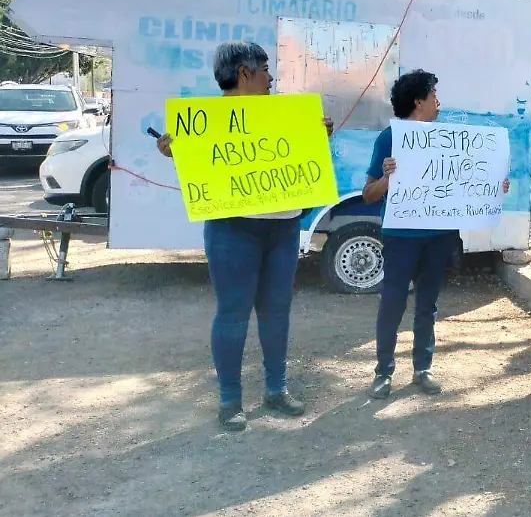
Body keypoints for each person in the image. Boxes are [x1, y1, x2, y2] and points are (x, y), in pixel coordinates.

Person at [156, 40, 331, 431]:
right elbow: (199, 164)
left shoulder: (288, 114)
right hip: (232, 230)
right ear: (244, 73)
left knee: (276, 312)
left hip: (284, 227)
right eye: (266, 69)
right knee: (233, 314)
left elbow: (303, 158)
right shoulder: (203, 120)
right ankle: (230, 400)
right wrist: (175, 151)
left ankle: (276, 391)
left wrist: (319, 136)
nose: (272, 78)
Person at [362, 69, 511, 397]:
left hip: (438, 237)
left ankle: (422, 369)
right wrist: (387, 180)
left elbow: (469, 181)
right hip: (401, 238)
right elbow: (368, 193)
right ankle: (383, 372)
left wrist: (493, 186)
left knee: (428, 305)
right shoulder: (388, 139)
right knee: (392, 303)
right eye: (433, 96)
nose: (438, 102)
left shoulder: (447, 139)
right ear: (419, 101)